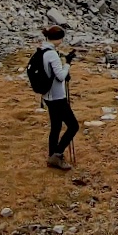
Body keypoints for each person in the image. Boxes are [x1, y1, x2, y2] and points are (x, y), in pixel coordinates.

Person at [40, 25, 79, 171]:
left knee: (56, 126)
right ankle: (57, 154)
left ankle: (52, 157)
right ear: (59, 38)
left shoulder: (43, 50)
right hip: (57, 97)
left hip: (48, 96)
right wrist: (68, 64)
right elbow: (61, 76)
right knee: (73, 126)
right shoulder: (52, 54)